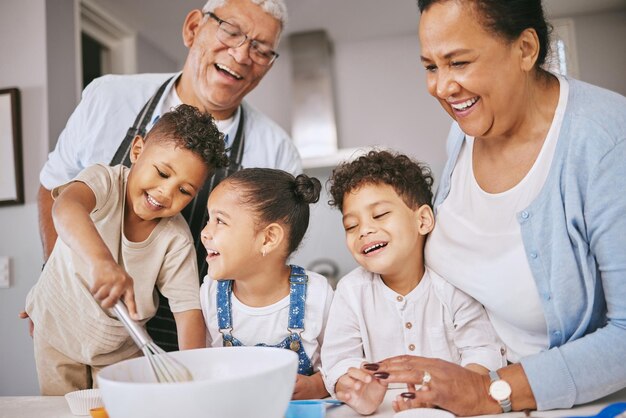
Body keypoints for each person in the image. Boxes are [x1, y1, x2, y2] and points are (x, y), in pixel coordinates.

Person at [368, 0, 626, 415]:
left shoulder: (607, 145)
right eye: (431, 67)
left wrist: (486, 390)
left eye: (459, 62)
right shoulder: (463, 133)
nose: (441, 87)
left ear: (525, 49)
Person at [34, 0, 301, 350]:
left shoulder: (276, 152)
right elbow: (55, 188)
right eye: (232, 32)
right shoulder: (108, 97)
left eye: (261, 50)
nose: (241, 55)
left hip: (202, 335)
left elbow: (273, 264)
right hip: (85, 315)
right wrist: (57, 286)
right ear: (193, 28)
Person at [25, 104, 229, 395]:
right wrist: (102, 262)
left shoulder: (176, 239)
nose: (166, 192)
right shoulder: (104, 182)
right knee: (61, 411)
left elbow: (188, 314)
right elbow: (66, 208)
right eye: (161, 173)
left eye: (184, 191)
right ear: (137, 150)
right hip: (57, 333)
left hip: (118, 351)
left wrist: (193, 376)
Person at [321, 150, 506, 415]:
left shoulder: (452, 283)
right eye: (351, 226)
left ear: (422, 220)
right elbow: (338, 360)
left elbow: (483, 350)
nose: (364, 230)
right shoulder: (351, 292)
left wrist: (456, 389)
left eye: (380, 214)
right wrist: (353, 386)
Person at [199, 168, 334, 400]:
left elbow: (343, 362)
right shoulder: (210, 293)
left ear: (268, 238)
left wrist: (317, 386)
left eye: (219, 221)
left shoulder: (317, 294)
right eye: (208, 219)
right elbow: (205, 369)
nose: (204, 233)